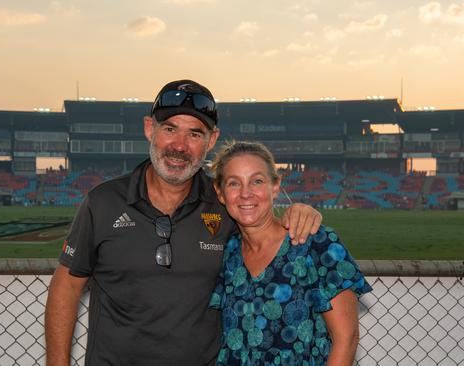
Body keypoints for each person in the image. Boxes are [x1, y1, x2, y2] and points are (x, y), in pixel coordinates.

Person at [45, 80, 323, 365]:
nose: (180, 146)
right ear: (149, 128)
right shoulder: (103, 202)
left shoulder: (226, 204)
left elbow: (267, 232)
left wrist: (298, 212)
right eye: (170, 129)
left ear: (211, 140)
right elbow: (66, 285)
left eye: (194, 134)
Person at [209, 141, 372, 365]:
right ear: (220, 193)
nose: (246, 193)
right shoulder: (228, 252)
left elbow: (346, 339)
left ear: (275, 186)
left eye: (257, 181)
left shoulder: (315, 244)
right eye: (234, 183)